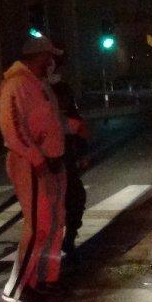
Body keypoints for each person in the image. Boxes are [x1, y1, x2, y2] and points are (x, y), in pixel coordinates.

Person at [0, 35, 67, 302]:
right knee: (38, 225)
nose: (52, 62)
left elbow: (51, 122)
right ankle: (17, 287)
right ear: (39, 56)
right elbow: (12, 130)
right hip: (31, 163)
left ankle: (45, 278)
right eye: (49, 56)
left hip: (52, 161)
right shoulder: (16, 85)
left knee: (54, 224)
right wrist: (38, 161)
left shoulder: (39, 84)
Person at [51, 81, 90, 257]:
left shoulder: (69, 115)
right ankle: (63, 237)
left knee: (75, 199)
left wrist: (82, 155)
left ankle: (70, 236)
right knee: (64, 202)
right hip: (54, 163)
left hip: (67, 164)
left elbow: (81, 136)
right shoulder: (49, 115)